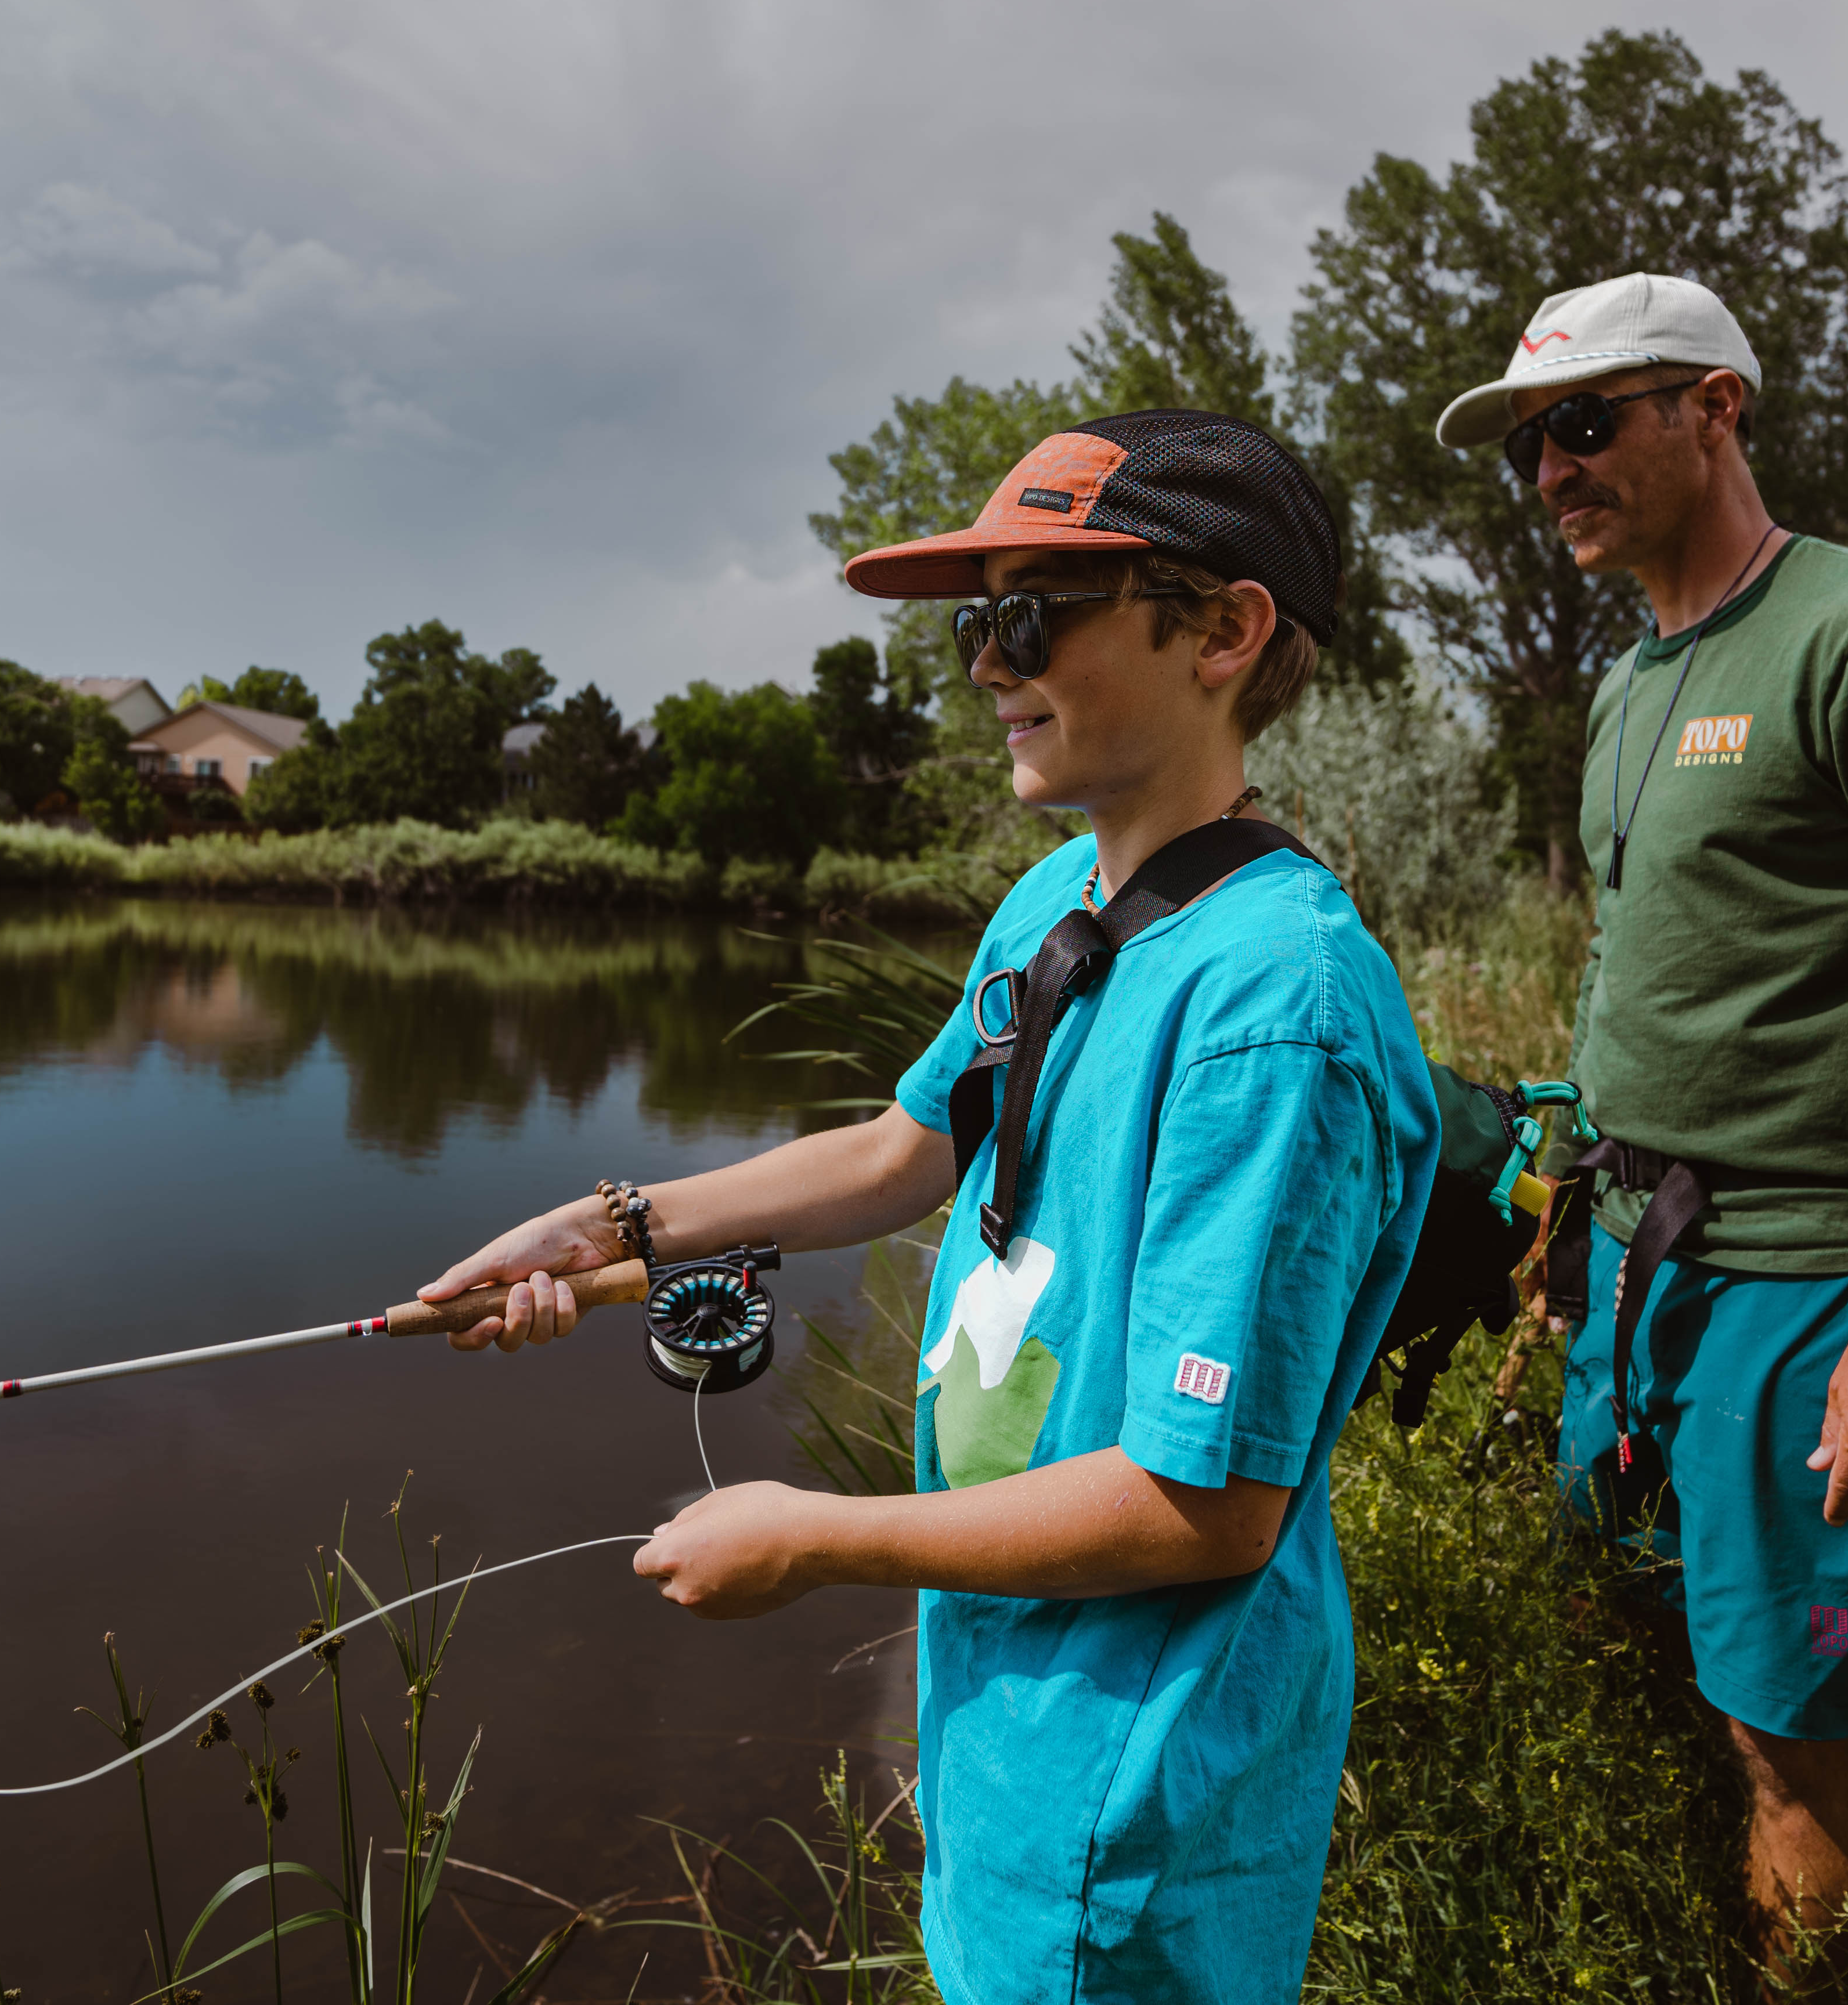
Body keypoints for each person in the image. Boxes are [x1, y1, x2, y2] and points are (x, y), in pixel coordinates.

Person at [412, 411, 1438, 2004]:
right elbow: (906, 1150)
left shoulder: (1274, 1009)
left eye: (1035, 617)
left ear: (1225, 632)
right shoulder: (1061, 901)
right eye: (977, 623)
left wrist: (816, 1541)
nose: (985, 667)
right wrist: (609, 1233)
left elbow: (1209, 1507)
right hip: (1008, 1734)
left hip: (1128, 1802)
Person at [1434, 273, 1848, 1970]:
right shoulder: (1630, 684)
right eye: (1529, 446)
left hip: (1819, 1284)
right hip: (1641, 1265)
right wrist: (1570, 1214)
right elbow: (1646, 968)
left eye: (1587, 423)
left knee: (1792, 1733)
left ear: (1715, 409)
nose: (1552, 472)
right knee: (1644, 1645)